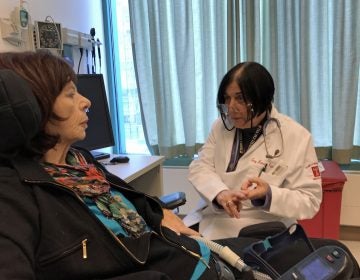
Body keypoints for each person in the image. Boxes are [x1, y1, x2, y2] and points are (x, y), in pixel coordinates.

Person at [0, 51, 264, 280]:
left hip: (195, 255)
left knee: (286, 249)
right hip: (179, 267)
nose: (86, 101)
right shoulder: (14, 190)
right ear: (33, 106)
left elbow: (137, 202)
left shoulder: (79, 162)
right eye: (71, 93)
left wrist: (160, 214)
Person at [187, 61, 323, 240]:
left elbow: (310, 200)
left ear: (263, 98)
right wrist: (220, 193)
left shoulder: (296, 136)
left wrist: (269, 194)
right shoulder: (220, 127)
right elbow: (200, 167)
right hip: (215, 217)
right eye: (227, 98)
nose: (231, 108)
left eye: (240, 98)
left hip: (265, 228)